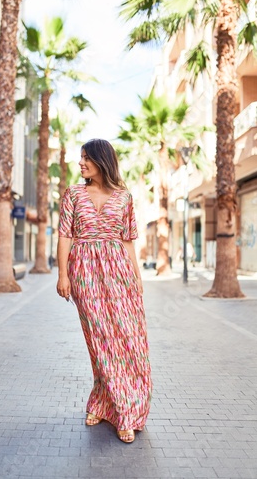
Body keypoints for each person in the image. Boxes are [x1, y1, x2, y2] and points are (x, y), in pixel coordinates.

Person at [56, 138, 152, 444]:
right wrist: (62, 275)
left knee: (126, 340)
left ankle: (109, 403)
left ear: (102, 160)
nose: (80, 163)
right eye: (80, 158)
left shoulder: (124, 197)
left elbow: (128, 242)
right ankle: (120, 411)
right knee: (99, 341)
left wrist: (136, 278)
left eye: (86, 158)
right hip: (84, 273)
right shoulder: (73, 194)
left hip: (119, 273)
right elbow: (64, 236)